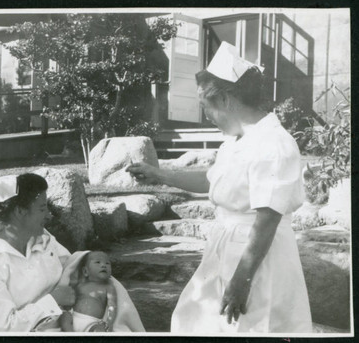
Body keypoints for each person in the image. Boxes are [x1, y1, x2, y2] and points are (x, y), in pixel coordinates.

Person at [126, 41, 312, 333]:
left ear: (225, 100)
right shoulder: (237, 140)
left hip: (258, 260)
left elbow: (267, 219)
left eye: (205, 107)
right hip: (226, 248)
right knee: (192, 320)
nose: (206, 116)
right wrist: (159, 175)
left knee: (251, 327)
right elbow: (214, 180)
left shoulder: (274, 144)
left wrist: (242, 281)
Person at [0, 173, 75, 332]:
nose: (49, 215)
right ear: (19, 212)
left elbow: (72, 266)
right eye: (42, 208)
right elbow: (5, 326)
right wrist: (53, 300)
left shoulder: (43, 238)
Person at [59, 251, 117, 332]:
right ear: (85, 271)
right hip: (74, 317)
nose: (104, 265)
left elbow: (112, 306)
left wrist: (110, 323)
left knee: (100, 330)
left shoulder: (108, 287)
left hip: (92, 323)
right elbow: (70, 299)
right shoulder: (80, 285)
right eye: (98, 262)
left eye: (107, 263)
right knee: (65, 316)